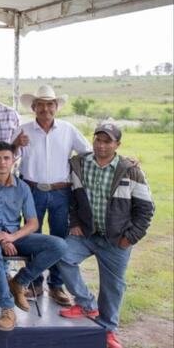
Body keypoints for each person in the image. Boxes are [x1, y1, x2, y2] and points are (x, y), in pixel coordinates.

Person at [57, 123, 155, 348]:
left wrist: (130, 237)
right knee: (62, 255)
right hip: (87, 234)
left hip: (117, 239)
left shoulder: (130, 170)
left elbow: (146, 209)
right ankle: (86, 303)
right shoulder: (79, 164)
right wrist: (75, 223)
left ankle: (108, 330)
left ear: (117, 145)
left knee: (113, 286)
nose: (101, 145)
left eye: (107, 141)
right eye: (98, 140)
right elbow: (73, 198)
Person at [0, 141, 67, 331]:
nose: (2, 163)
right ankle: (7, 307)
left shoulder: (22, 187)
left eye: (6, 158)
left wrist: (12, 237)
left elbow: (33, 223)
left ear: (14, 160)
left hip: (15, 236)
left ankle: (20, 281)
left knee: (59, 245)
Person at [14, 84, 90, 305]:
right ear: (34, 107)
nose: (45, 109)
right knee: (33, 237)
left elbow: (88, 153)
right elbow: (7, 155)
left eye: (50, 104)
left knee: (60, 238)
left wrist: (119, 160)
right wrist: (15, 144)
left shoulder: (68, 129)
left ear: (56, 107)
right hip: (31, 191)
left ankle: (56, 285)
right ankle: (34, 284)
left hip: (61, 192)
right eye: (41, 105)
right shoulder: (22, 129)